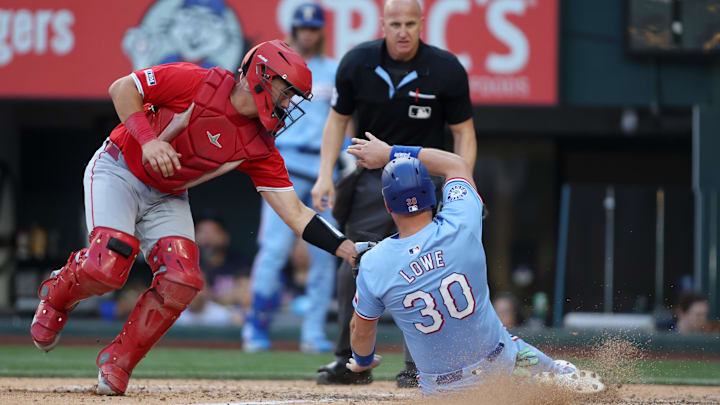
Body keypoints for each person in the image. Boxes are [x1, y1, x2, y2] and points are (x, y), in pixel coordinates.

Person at [29, 39, 356, 396]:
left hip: (166, 194)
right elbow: (122, 88)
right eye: (287, 91)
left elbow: (295, 212)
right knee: (107, 264)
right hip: (120, 166)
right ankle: (57, 295)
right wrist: (149, 140)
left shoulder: (260, 146)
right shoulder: (198, 82)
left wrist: (345, 248)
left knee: (183, 279)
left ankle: (119, 360)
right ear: (262, 76)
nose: (288, 103)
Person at [343, 135, 605, 396]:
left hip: (444, 392)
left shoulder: (374, 263)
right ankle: (562, 382)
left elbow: (361, 329)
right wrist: (390, 152)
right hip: (506, 363)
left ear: (388, 205)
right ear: (432, 198)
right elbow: (455, 164)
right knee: (561, 375)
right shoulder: (462, 222)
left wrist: (363, 362)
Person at [311, 0, 477, 386]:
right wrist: (324, 176)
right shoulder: (357, 63)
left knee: (431, 266)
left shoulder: (447, 68)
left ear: (422, 24)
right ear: (382, 23)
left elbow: (463, 132)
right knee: (354, 260)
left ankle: (423, 366)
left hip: (428, 178)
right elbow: (336, 122)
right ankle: (351, 361)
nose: (402, 31)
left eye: (410, 24)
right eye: (395, 23)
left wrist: (462, 179)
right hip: (372, 177)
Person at [243, 3, 339, 354]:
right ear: (295, 29)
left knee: (326, 254)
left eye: (313, 29)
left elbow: (345, 121)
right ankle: (256, 328)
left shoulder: (334, 69)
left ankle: (312, 333)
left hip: (323, 172)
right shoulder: (275, 63)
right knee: (274, 251)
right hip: (282, 165)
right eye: (303, 28)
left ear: (321, 31)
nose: (308, 34)